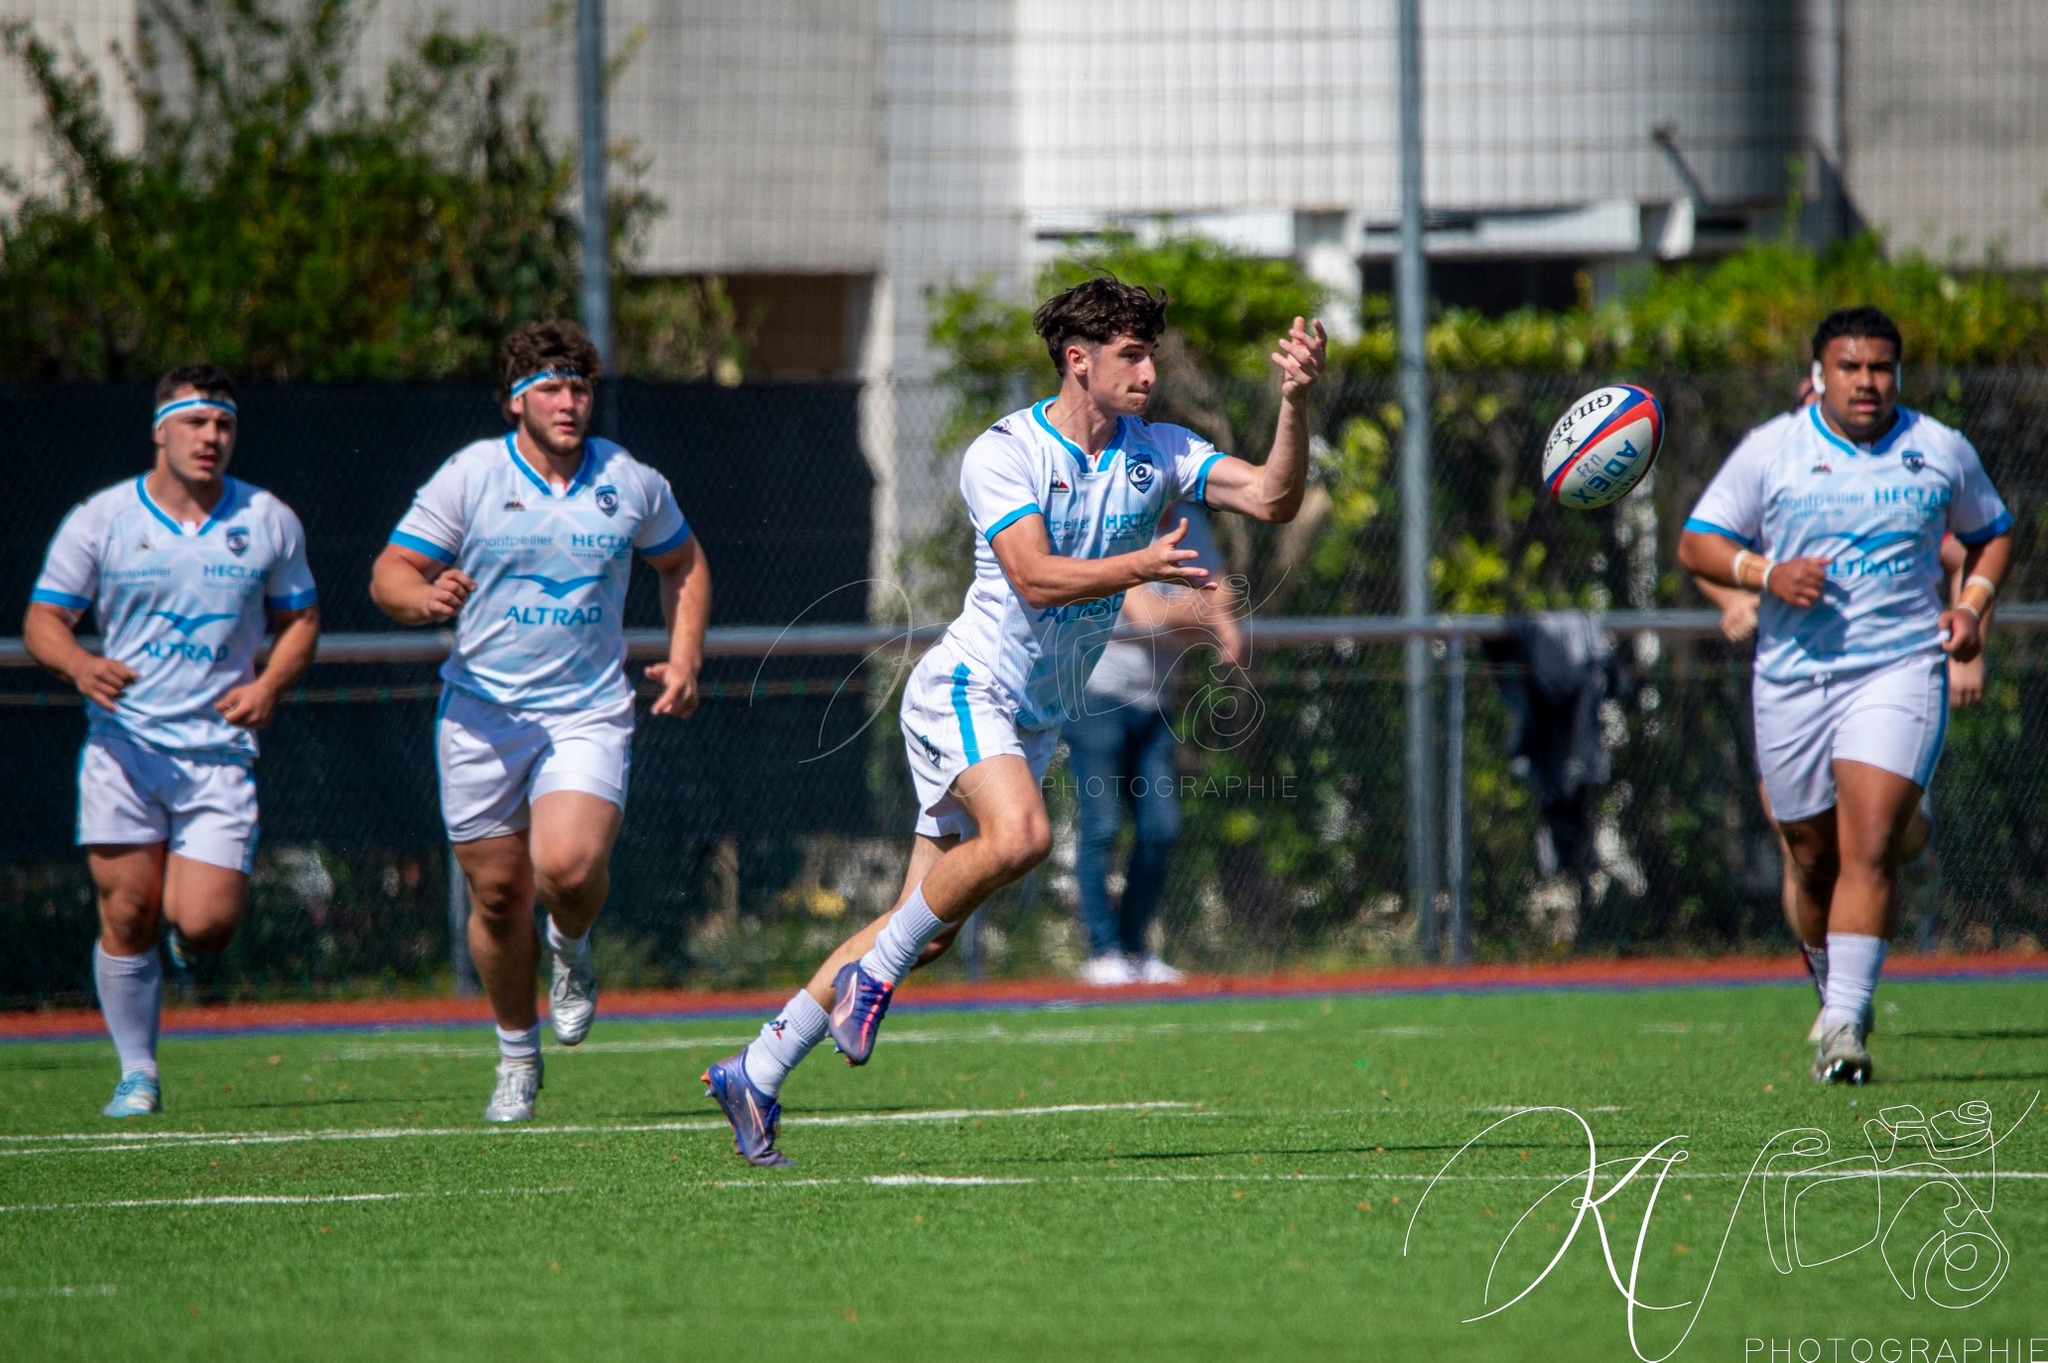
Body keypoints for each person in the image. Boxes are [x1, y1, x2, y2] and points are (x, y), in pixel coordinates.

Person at [703, 277, 1325, 1165]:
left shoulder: (1159, 450)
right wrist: (1137, 564)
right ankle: (869, 981)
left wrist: (1295, 404)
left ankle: (756, 1069)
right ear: (1078, 361)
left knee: (924, 924)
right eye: (1130, 355)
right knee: (1024, 835)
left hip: (1031, 719)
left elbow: (1272, 497)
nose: (1149, 371)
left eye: (1150, 352)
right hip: (967, 689)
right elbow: (1032, 574)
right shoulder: (1004, 452)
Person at [371, 320, 709, 1122]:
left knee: (565, 868)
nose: (570, 401)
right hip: (482, 716)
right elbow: (390, 572)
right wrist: (422, 599)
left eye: (581, 386)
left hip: (586, 711)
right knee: (496, 896)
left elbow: (683, 563)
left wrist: (685, 656)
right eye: (552, 386)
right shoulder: (472, 476)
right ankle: (517, 1055)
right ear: (514, 400)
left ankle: (570, 947)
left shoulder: (627, 480)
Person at [1678, 305, 2012, 1085]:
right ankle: (1835, 988)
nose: (1867, 382)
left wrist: (1971, 607)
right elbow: (1699, 540)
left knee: (1869, 841)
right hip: (1793, 676)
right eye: (1851, 367)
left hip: (1897, 669)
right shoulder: (1774, 450)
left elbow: (1995, 528)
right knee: (1810, 854)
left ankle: (1846, 1023)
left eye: (1881, 368)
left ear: (1897, 372)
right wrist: (1764, 576)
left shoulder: (1938, 450)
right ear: (1819, 373)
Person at [24, 365, 320, 1117]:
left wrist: (267, 686)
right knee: (127, 911)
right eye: (195, 422)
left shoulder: (268, 519)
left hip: (217, 752)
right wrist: (82, 664)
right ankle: (137, 1071)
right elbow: (43, 622)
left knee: (208, 921)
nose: (211, 437)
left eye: (223, 424)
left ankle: (189, 946)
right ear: (161, 430)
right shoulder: (102, 519)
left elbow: (302, 621)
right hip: (124, 748)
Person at [1065, 506, 1245, 985]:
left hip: (1157, 705)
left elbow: (1223, 595)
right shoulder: (1112, 514)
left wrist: (1205, 614)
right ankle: (1102, 952)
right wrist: (1203, 617)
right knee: (1101, 827)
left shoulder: (1190, 522)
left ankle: (1134, 948)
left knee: (1161, 829)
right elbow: (1142, 615)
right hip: (1095, 700)